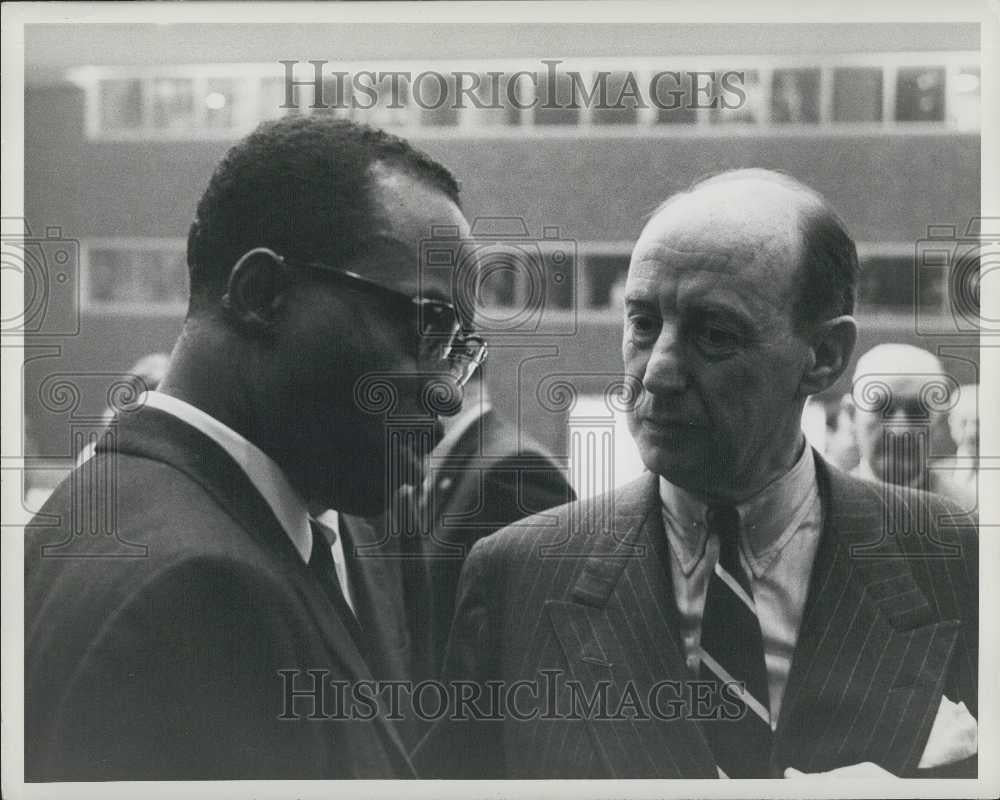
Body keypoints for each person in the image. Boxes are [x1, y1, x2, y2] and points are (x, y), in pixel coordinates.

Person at [415, 169, 977, 779]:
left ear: (824, 357)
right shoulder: (518, 577)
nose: (657, 373)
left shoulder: (953, 558)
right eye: (643, 323)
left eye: (714, 334)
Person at [25, 116, 486, 780]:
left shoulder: (339, 530)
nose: (447, 391)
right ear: (261, 295)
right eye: (427, 324)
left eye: (460, 350)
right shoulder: (194, 594)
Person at [847, 344, 975, 509]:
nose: (900, 431)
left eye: (917, 411)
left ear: (939, 421)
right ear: (851, 414)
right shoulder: (822, 509)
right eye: (883, 409)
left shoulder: (969, 513)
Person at [948, 383, 978, 495]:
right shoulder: (936, 472)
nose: (972, 432)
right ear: (951, 423)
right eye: (963, 422)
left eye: (979, 423)